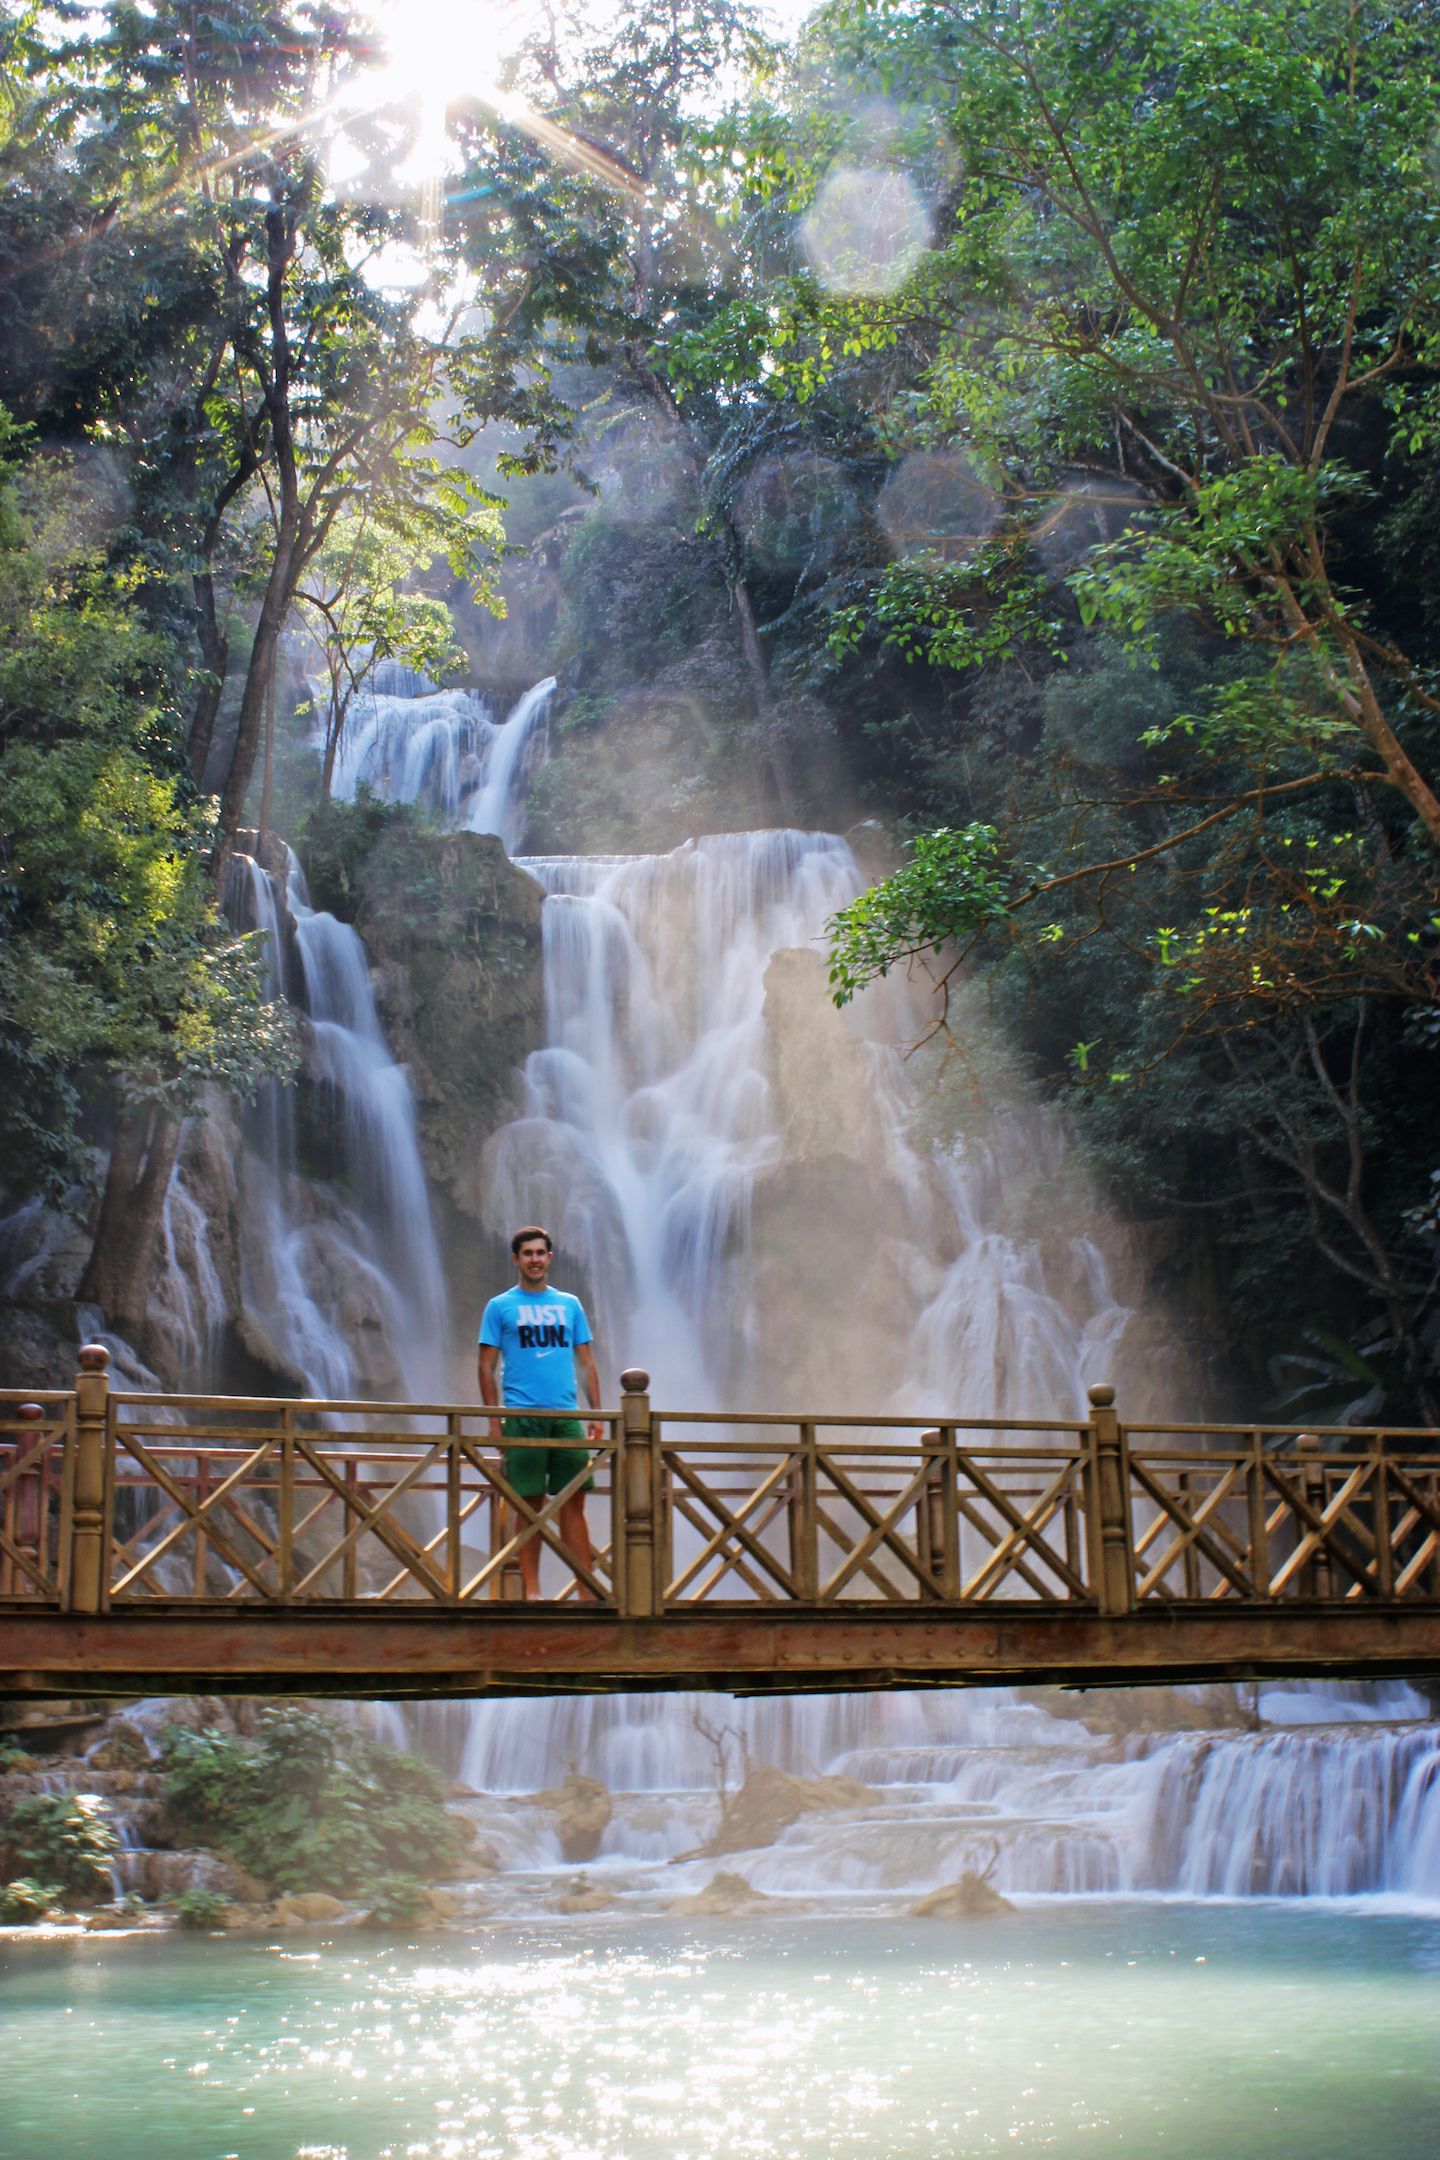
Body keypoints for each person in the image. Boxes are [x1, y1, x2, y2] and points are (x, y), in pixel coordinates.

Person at [477, 1226, 604, 1600]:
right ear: (516, 1259)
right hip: (522, 1414)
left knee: (574, 1501)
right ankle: (531, 1590)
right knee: (528, 1503)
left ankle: (586, 1590)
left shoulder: (570, 1304)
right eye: (527, 1253)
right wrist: (493, 1419)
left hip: (567, 1417)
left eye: (540, 1253)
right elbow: (485, 1366)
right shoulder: (500, 1306)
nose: (535, 1259)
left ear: (550, 1258)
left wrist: (596, 1414)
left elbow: (586, 1362)